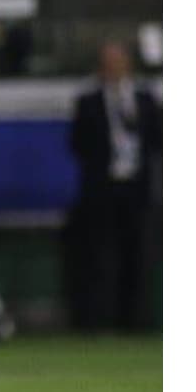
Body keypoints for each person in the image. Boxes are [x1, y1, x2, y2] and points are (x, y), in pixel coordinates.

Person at [68, 41, 162, 332]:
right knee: (102, 258)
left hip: (137, 188)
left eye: (118, 62)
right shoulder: (89, 101)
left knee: (138, 255)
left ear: (128, 64)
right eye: (108, 62)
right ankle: (101, 322)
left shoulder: (145, 99)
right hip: (102, 190)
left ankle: (136, 322)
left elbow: (160, 139)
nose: (113, 68)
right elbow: (77, 144)